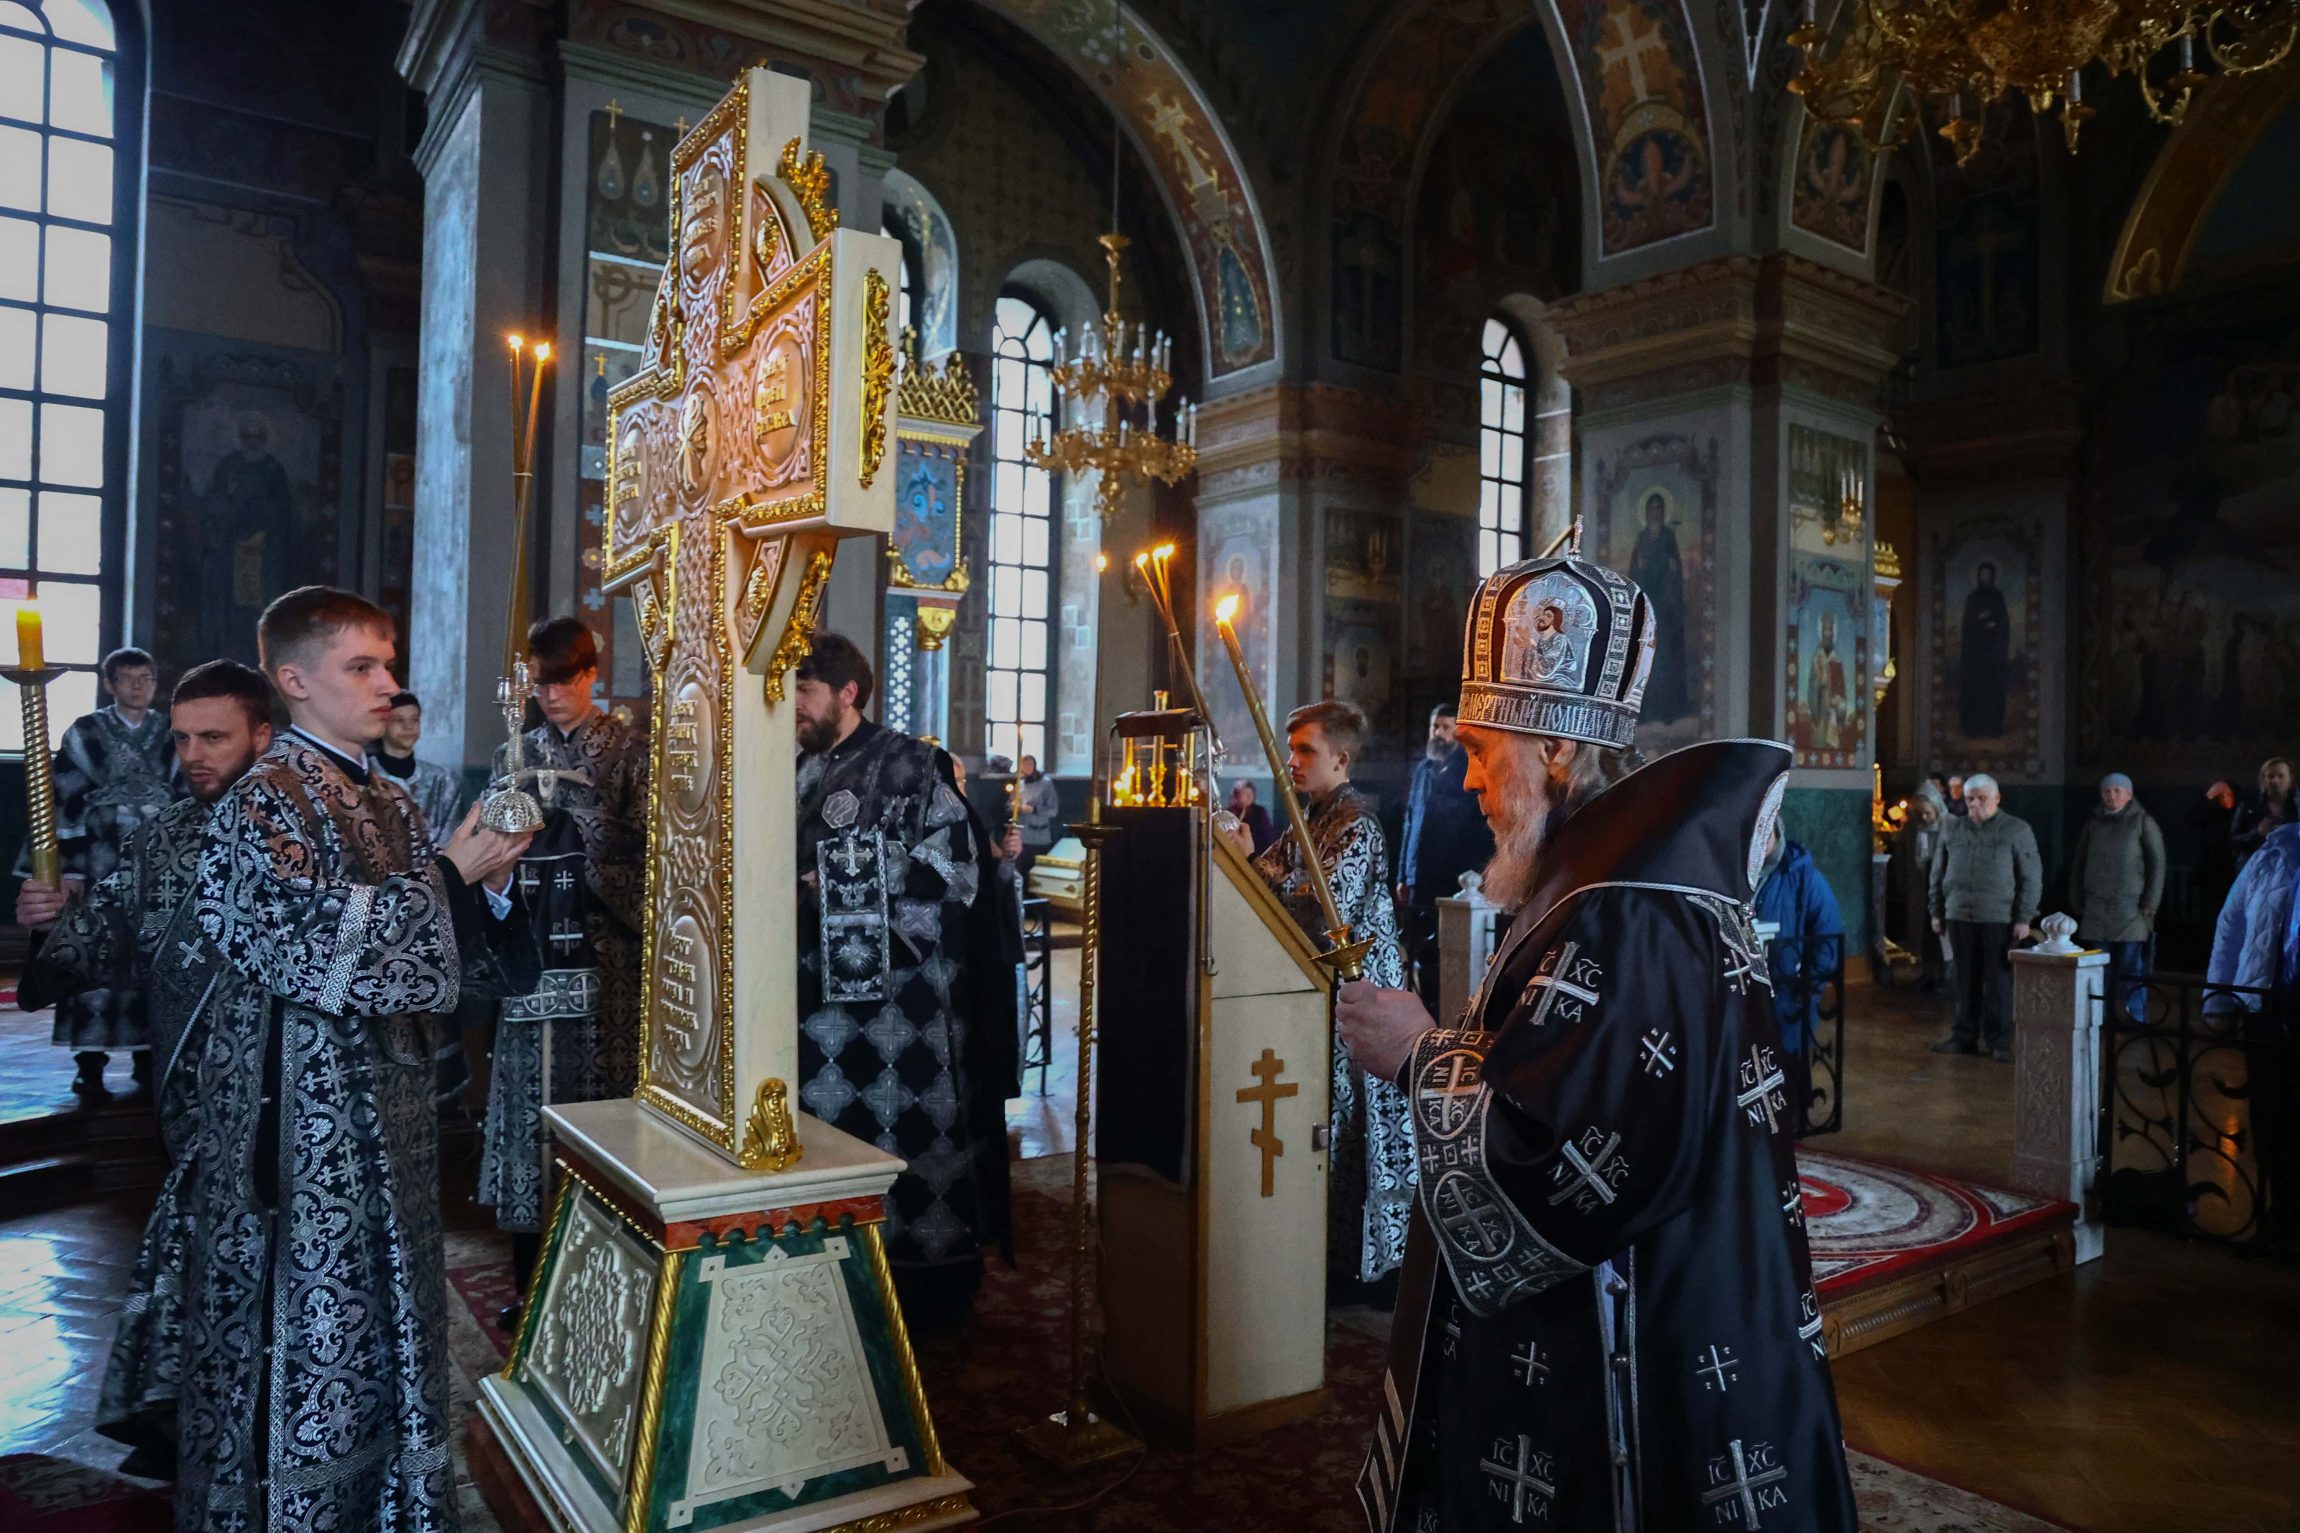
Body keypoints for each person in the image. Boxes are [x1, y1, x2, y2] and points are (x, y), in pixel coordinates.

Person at [1337, 550, 1855, 1531]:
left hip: (1641, 1354)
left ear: (1555, 750)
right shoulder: (1607, 879)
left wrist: (1417, 1054)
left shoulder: (1631, 910)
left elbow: (1571, 1163)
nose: (1468, 778)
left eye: (1482, 749)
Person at [173, 586, 535, 1529]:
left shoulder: (391, 798)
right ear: (294, 681)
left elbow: (442, 959)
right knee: (310, 1333)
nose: (388, 684)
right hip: (303, 1128)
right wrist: (450, 876)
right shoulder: (263, 800)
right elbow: (302, 943)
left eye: (388, 664)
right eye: (362, 666)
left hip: (394, 1113)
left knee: (392, 1314)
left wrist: (492, 886)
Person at [12, 660, 274, 1478]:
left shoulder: (299, 833)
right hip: (189, 1089)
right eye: (183, 738)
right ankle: (193, 1421)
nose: (193, 755)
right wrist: (52, 921)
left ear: (262, 736)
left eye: (213, 738)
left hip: (283, 1094)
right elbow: (104, 929)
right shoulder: (164, 836)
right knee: (201, 1256)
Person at [792, 632, 1013, 1332]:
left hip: (904, 1011)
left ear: (847, 692)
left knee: (908, 1147)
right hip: (815, 1004)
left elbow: (957, 868)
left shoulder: (913, 763)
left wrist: (834, 876)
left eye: (805, 689)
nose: (793, 704)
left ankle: (927, 1290)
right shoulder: (797, 767)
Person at [479, 618, 647, 1329]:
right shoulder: (512, 754)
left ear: (589, 674)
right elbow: (488, 852)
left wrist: (579, 818)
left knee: (599, 1124)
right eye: (539, 683)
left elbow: (656, 860)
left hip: (606, 972)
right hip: (531, 967)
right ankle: (532, 1288)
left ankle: (607, 1289)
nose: (549, 696)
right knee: (530, 1126)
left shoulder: (632, 750)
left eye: (562, 680)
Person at [1218, 698, 1410, 1294]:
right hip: (1320, 997)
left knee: (1355, 1127)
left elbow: (1326, 912)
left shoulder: (1357, 825)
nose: (1293, 762)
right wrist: (1243, 858)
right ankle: (1322, 1254)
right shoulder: (1308, 817)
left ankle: (1365, 1270)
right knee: (1327, 1123)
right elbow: (1268, 877)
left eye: (1306, 750)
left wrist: (1251, 861)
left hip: (1365, 998)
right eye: (1290, 750)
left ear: (1341, 759)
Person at [42, 646, 182, 1096]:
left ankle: (149, 1057)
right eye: (127, 678)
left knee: (153, 955)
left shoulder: (172, 732)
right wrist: (70, 869)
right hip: (99, 863)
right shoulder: (86, 732)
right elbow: (64, 797)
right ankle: (90, 1061)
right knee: (97, 954)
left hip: (160, 868)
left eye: (145, 678)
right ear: (109, 684)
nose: (137, 687)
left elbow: (189, 792)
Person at [1928, 772, 2042, 1061]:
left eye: (1982, 798)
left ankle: (1999, 1041)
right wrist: (1936, 910)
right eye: (1970, 799)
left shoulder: (2016, 830)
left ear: (1997, 798)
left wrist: (2023, 917)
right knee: (1963, 979)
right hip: (1959, 914)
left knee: (1999, 983)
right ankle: (1963, 1035)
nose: (1975, 804)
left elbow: (2030, 877)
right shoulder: (1953, 829)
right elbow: (1938, 872)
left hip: (1998, 917)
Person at [1396, 703, 1494, 1010]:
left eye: (1445, 727)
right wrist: (1403, 874)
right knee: (1419, 952)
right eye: (1434, 727)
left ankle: (1445, 1012)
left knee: (1448, 954)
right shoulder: (1423, 770)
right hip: (1419, 877)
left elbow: (1476, 830)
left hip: (1452, 877)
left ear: (1457, 732)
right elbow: (1410, 822)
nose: (1438, 733)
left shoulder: (1468, 771)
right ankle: (1423, 1009)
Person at [1756, 821, 1844, 1132]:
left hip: (1789, 994)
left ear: (1777, 832)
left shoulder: (1803, 877)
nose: (1758, 841)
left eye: (1764, 833)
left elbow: (1827, 935)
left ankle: (1791, 1121)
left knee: (1789, 1061)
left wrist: (1811, 986)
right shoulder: (1730, 872)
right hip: (1744, 993)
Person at [2071, 772, 2165, 1024]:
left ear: (2129, 795)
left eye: (2117, 791)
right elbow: (2079, 862)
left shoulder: (2143, 823)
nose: (2112, 796)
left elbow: (2157, 865)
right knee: (2097, 968)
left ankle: (2135, 1015)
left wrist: (2150, 903)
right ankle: (2099, 1017)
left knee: (2131, 967)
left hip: (2131, 911)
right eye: (2107, 791)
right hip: (2097, 909)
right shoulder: (2093, 824)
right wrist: (2077, 898)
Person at [376, 690, 463, 852]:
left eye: (414, 719)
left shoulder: (442, 780)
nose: (408, 726)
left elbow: (452, 835)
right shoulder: (367, 776)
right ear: (383, 723)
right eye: (398, 720)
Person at [1899, 781, 1949, 991]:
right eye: (1919, 814)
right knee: (1923, 934)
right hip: (1920, 888)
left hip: (1943, 889)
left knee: (1943, 937)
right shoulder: (1911, 829)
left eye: (1927, 813)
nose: (1924, 818)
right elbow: (1904, 858)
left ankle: (1946, 976)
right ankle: (1927, 972)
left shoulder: (1950, 826)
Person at [2186, 779, 2240, 917]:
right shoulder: (2211, 812)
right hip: (2210, 873)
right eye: (2221, 794)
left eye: (2228, 794)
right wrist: (2209, 795)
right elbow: (2191, 818)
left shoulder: (2241, 812)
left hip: (2234, 870)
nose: (2225, 797)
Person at [2231, 756, 2296, 870]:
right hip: (2255, 868)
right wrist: (2257, 832)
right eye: (2271, 776)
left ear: (2290, 779)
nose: (2275, 781)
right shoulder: (2249, 805)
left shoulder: (2297, 805)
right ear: (2263, 780)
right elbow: (2233, 840)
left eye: (2281, 776)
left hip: (2288, 868)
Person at [1013, 752, 1060, 875]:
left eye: (1030, 764)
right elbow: (1010, 805)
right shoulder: (1019, 784)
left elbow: (1053, 810)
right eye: (1024, 764)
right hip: (1022, 838)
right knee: (1021, 874)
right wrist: (1014, 807)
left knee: (1038, 873)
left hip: (1040, 837)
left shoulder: (1046, 783)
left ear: (1034, 765)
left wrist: (1034, 809)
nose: (1027, 767)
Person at [1227, 778, 1276, 855]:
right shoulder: (1229, 813)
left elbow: (1269, 838)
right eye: (1246, 794)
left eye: (1251, 794)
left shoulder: (1259, 812)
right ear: (1236, 795)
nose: (1249, 797)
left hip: (1255, 854)